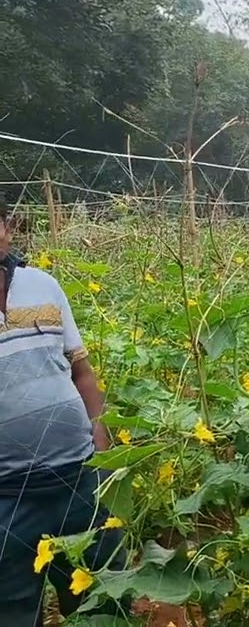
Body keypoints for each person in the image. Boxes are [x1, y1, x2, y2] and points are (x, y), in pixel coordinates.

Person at [0, 196, 129, 626]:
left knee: (103, 601)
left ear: (7, 229)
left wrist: (102, 447)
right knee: (12, 609)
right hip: (5, 495)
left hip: (80, 477)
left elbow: (83, 373)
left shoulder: (44, 286)